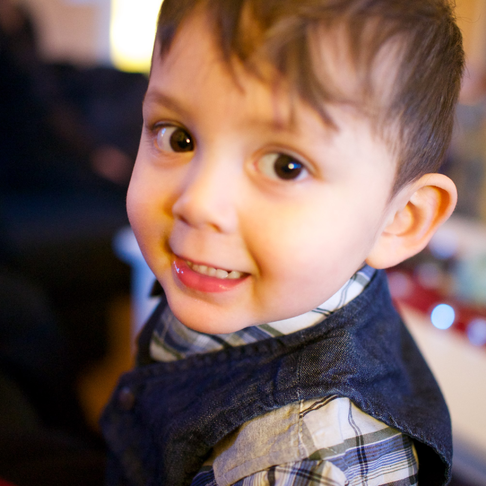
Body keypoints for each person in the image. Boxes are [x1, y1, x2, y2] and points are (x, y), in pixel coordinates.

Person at [101, 0, 464, 485]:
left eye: (285, 166)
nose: (197, 203)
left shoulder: (305, 460)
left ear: (399, 220)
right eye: (178, 137)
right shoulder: (253, 281)